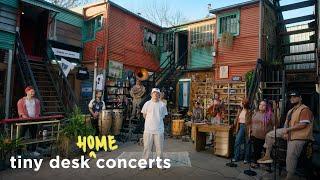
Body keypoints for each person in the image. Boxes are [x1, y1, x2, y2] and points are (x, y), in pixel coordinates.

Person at [257, 90, 314, 180]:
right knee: (269, 135)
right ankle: (267, 155)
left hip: (299, 137)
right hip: (289, 133)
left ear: (300, 98)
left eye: (294, 97)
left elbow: (303, 124)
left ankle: (289, 177)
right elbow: (286, 124)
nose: (292, 98)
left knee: (290, 156)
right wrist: (284, 132)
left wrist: (287, 130)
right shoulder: (291, 110)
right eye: (291, 97)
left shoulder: (304, 109)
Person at [141, 88, 168, 169]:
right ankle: (145, 163)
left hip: (159, 129)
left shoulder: (162, 105)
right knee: (146, 147)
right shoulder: (147, 103)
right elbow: (144, 115)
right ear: (151, 94)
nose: (155, 94)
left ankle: (160, 164)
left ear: (159, 95)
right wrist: (150, 121)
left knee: (159, 148)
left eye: (157, 93)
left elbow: (163, 116)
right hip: (148, 129)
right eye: (154, 93)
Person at [17, 86, 41, 156]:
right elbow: (20, 111)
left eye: (34, 92)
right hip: (24, 121)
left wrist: (36, 117)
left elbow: (38, 111)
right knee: (21, 136)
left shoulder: (37, 101)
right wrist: (26, 118)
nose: (33, 93)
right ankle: (19, 152)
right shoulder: (21, 101)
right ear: (27, 92)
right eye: (31, 91)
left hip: (34, 120)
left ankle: (32, 151)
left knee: (33, 135)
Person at [249, 100, 274, 168]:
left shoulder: (270, 114)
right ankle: (256, 163)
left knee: (267, 152)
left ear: (266, 106)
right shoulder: (255, 113)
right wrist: (251, 131)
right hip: (256, 136)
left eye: (263, 105)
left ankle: (268, 166)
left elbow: (275, 124)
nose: (261, 106)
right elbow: (252, 123)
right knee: (256, 151)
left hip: (266, 137)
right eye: (260, 104)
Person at [232, 98, 252, 163]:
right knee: (237, 141)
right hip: (240, 126)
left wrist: (250, 130)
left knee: (247, 143)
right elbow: (237, 119)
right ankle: (236, 156)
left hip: (246, 127)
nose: (240, 103)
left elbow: (250, 121)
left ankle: (246, 158)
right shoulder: (240, 110)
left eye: (241, 102)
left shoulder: (249, 111)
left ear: (244, 104)